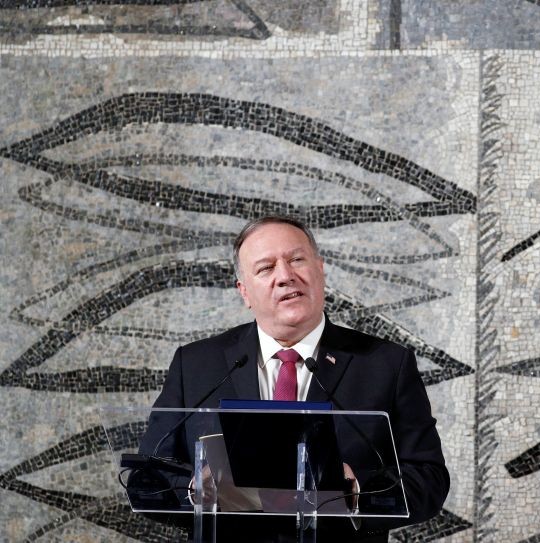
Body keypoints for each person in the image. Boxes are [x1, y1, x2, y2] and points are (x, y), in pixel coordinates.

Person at [137, 216, 449, 542]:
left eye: (296, 260)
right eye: (266, 268)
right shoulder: (197, 365)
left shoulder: (385, 364)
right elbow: (148, 478)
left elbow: (429, 480)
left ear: (320, 269)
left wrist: (356, 492)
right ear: (245, 292)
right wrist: (196, 490)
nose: (286, 276)